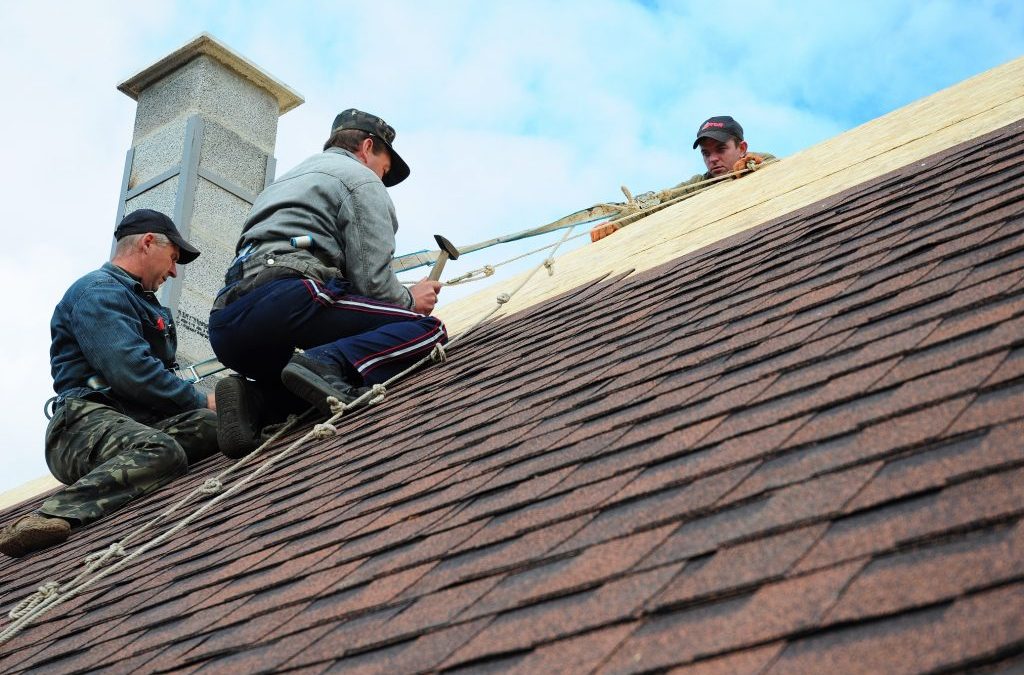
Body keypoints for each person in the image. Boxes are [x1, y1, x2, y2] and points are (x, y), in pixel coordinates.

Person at [208, 108, 446, 458]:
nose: (382, 177)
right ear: (367, 147)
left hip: (228, 327)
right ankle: (324, 362)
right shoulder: (361, 180)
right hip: (288, 300)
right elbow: (374, 285)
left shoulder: (282, 185)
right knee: (425, 331)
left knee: (309, 380)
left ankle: (256, 401)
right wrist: (411, 301)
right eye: (385, 168)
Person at [0, 210, 219, 558]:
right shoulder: (98, 292)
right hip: (81, 427)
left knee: (212, 426)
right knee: (163, 450)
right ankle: (47, 516)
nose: (174, 271)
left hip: (133, 425)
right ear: (148, 242)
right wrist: (200, 399)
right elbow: (131, 371)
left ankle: (130, 470)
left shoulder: (143, 303)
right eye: (174, 258)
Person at [591, 115, 776, 242]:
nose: (712, 159)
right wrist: (616, 224)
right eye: (706, 153)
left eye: (720, 149)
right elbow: (658, 201)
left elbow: (776, 167)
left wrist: (752, 166)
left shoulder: (763, 163)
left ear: (742, 148)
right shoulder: (698, 184)